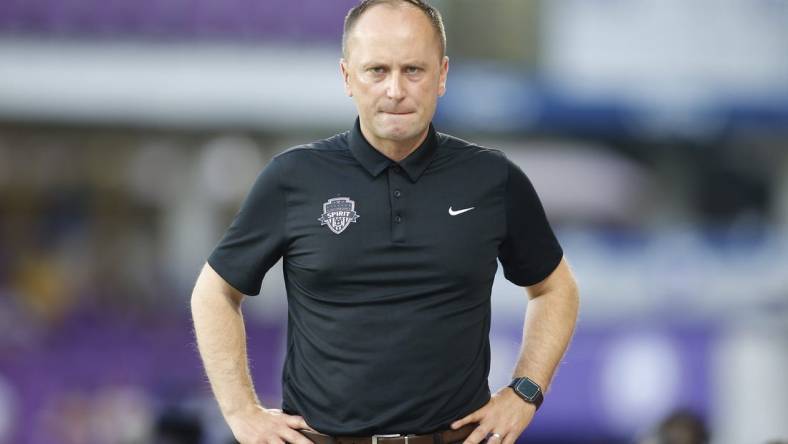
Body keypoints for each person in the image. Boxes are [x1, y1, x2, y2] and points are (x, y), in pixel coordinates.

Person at [190, 1, 580, 444]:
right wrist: (242, 412)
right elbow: (214, 292)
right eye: (377, 70)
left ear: (443, 74)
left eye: (413, 70)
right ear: (347, 77)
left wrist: (525, 391)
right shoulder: (293, 178)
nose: (395, 90)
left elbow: (555, 288)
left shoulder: (492, 178)